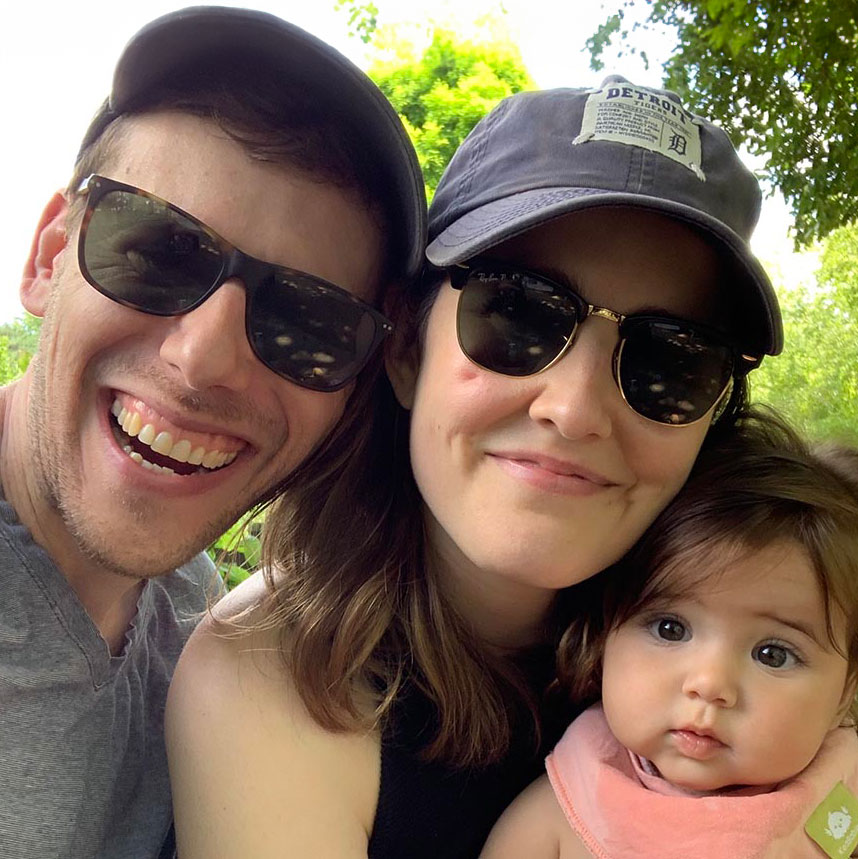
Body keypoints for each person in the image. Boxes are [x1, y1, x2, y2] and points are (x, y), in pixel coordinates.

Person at [166, 76, 783, 858]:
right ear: (404, 351)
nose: (575, 408)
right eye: (518, 311)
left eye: (670, 359)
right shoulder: (267, 677)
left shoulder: (775, 645)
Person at [0, 6, 425, 858]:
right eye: (158, 249)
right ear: (49, 256)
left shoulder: (207, 625)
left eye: (309, 320)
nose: (204, 359)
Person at [479, 417, 858, 859]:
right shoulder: (572, 805)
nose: (710, 684)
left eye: (773, 654)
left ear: (844, 692)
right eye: (670, 629)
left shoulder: (842, 790)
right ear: (605, 637)